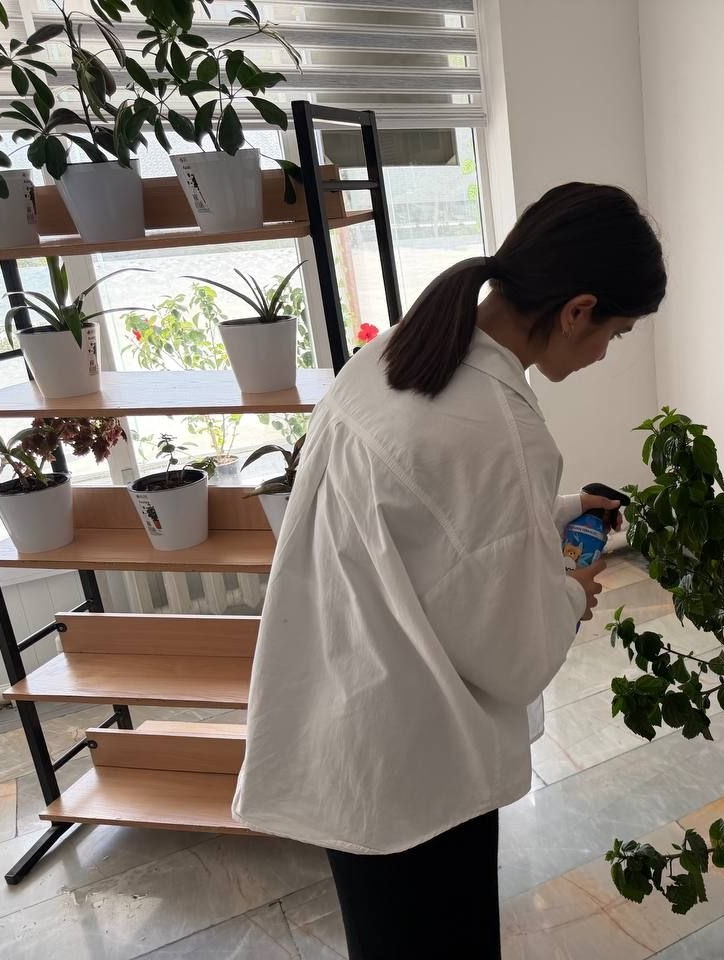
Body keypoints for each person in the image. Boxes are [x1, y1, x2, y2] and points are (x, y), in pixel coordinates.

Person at [232, 182, 667, 958]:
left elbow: (432, 525)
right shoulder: (498, 425)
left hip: (347, 722)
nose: (606, 353)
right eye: (618, 333)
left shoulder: (400, 353)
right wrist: (571, 592)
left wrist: (563, 509)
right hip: (415, 765)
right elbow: (515, 655)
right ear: (578, 311)